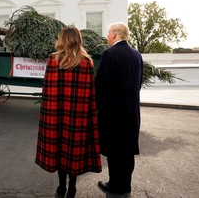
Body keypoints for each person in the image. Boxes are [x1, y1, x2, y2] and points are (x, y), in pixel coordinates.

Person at [35, 27, 102, 198]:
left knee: (58, 149)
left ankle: (61, 187)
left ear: (62, 39)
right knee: (73, 151)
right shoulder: (87, 62)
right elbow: (90, 93)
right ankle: (72, 188)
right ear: (78, 39)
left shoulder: (52, 60)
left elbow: (47, 90)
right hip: (78, 116)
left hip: (56, 114)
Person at [95, 22, 143, 195]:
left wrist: (97, 107)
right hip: (132, 112)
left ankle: (115, 185)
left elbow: (102, 85)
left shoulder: (109, 54)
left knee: (114, 151)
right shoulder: (137, 54)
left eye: (108, 33)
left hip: (114, 114)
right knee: (127, 150)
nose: (107, 37)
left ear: (115, 35)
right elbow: (138, 83)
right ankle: (125, 185)